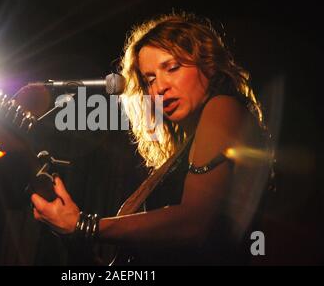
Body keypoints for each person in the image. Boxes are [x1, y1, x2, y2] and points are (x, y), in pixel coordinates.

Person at [30, 13, 271, 265]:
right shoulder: (184, 149)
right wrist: (71, 235)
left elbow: (194, 222)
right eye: (150, 79)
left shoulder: (223, 106)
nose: (159, 88)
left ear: (207, 65)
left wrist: (84, 226)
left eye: (172, 68)